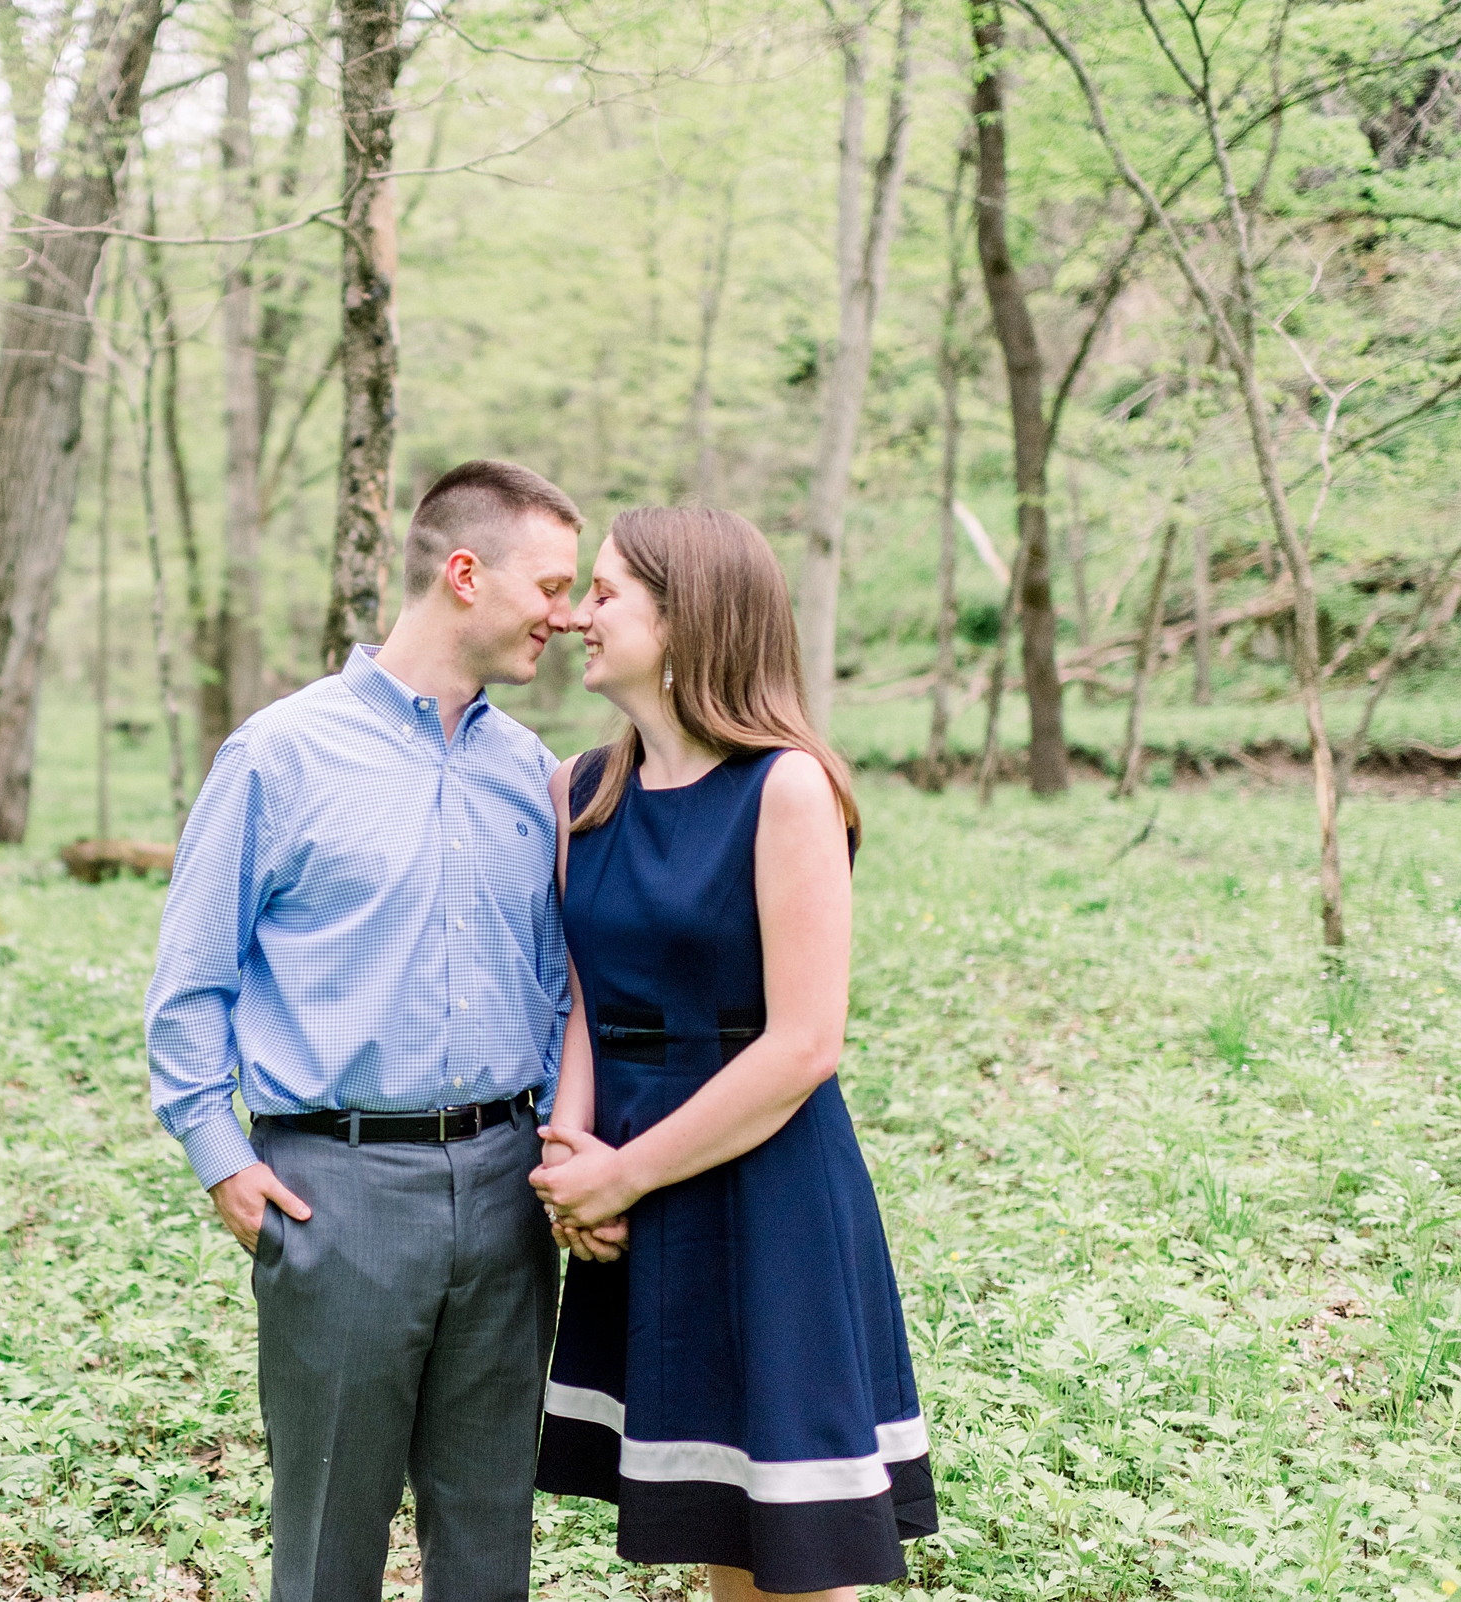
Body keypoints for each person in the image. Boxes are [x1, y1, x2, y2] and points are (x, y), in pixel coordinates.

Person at [145, 459, 612, 1602]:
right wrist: (222, 1161)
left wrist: (558, 1141)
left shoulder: (536, 776)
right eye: (550, 585)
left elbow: (562, 986)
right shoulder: (280, 754)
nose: (568, 613)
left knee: (492, 1539)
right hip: (336, 1192)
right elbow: (189, 985)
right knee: (326, 1548)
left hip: (508, 1191)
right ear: (465, 574)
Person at [529, 506, 938, 1600]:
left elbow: (805, 1044)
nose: (576, 616)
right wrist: (572, 1157)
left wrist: (621, 1173)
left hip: (764, 1183)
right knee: (719, 1521)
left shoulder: (788, 786)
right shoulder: (579, 790)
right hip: (629, 1185)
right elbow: (579, 991)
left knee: (797, 1546)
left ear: (688, 614)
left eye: (607, 593)